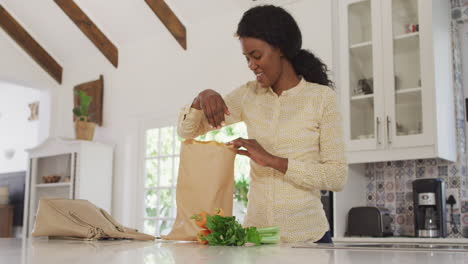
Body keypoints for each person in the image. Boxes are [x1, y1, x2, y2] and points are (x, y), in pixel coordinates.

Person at [177, 5, 347, 243]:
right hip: (256, 240)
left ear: (280, 49)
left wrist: (273, 161)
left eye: (256, 56)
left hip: (310, 240)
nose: (251, 65)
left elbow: (336, 176)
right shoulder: (248, 96)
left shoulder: (321, 99)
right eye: (247, 58)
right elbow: (188, 131)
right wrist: (201, 98)